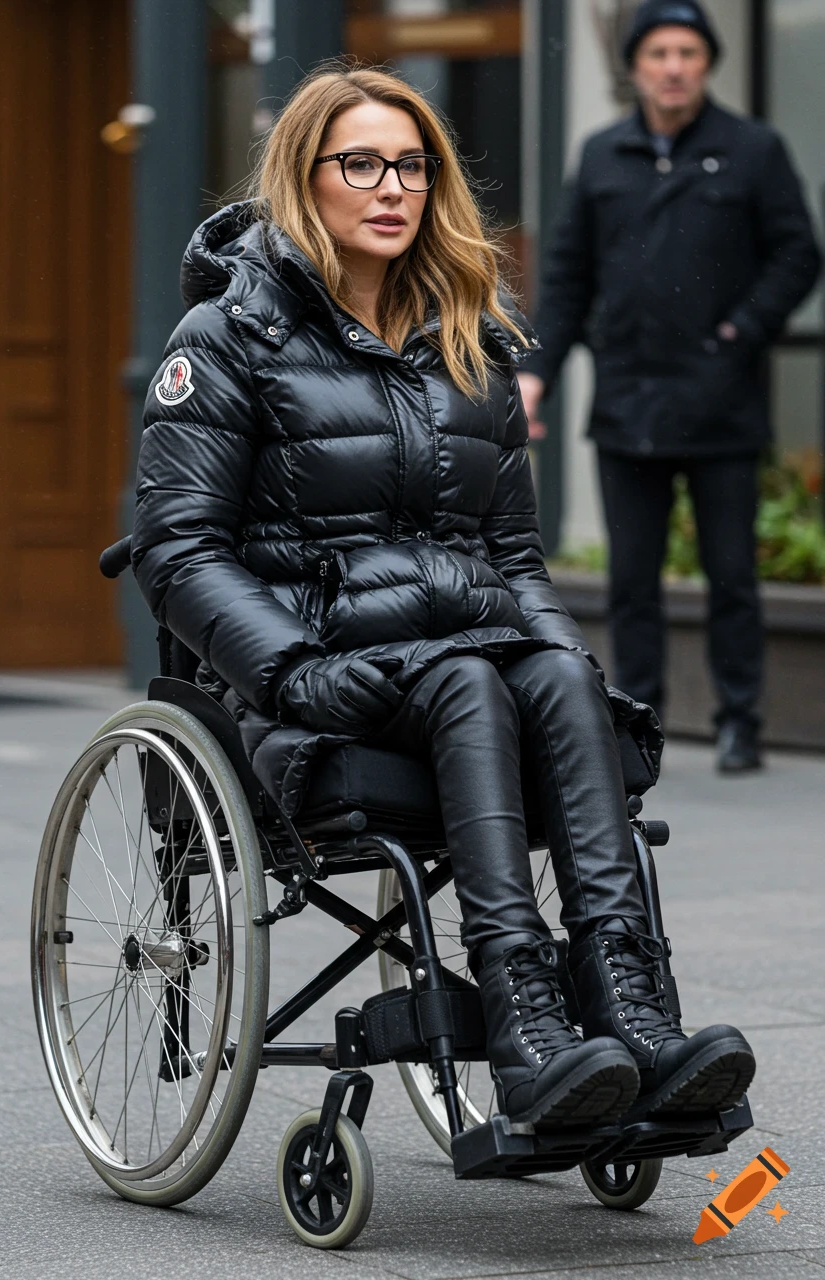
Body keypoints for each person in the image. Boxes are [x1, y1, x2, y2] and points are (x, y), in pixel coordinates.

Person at [132, 65, 754, 1130]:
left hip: (462, 654)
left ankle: (636, 1012)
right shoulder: (228, 338)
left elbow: (512, 553)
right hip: (314, 673)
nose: (392, 188)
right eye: (361, 164)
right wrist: (293, 671)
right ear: (303, 178)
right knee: (471, 678)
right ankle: (524, 1024)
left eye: (412, 166)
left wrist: (571, 671)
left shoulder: (468, 340)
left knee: (557, 676)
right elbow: (178, 550)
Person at [519, 0, 821, 773]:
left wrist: (739, 332)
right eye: (658, 53)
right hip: (627, 399)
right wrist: (535, 374)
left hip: (723, 400)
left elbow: (798, 254)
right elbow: (567, 278)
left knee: (732, 576)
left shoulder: (751, 149)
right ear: (636, 66)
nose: (674, 67)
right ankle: (639, 724)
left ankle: (740, 722)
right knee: (631, 582)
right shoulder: (601, 155)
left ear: (708, 62)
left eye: (688, 52)